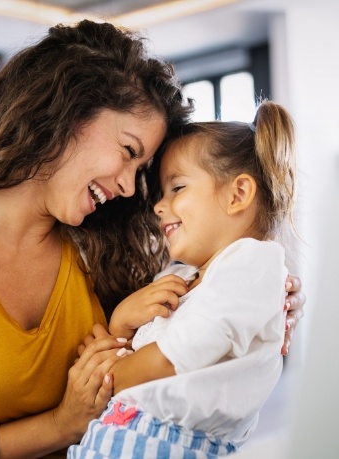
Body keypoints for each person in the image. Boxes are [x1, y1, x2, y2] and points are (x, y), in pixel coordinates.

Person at [0, 18, 304, 459]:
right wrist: (61, 425)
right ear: (65, 111)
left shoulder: (116, 240)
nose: (127, 188)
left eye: (141, 172)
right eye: (128, 152)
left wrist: (278, 297)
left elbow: (216, 272)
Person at [68, 100, 300, 458]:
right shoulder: (178, 276)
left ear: (238, 194)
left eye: (177, 188)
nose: (159, 206)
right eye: (161, 194)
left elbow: (169, 361)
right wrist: (123, 320)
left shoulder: (253, 262)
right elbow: (129, 354)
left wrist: (107, 377)